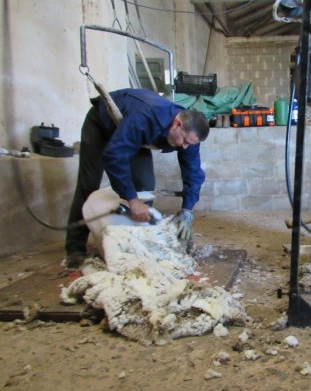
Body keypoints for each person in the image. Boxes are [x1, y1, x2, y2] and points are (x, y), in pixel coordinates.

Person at [65, 88, 210, 268]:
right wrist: (132, 200)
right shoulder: (145, 116)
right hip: (102, 125)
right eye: (185, 141)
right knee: (88, 185)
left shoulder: (189, 136)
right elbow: (114, 156)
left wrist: (187, 210)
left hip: (135, 134)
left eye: (191, 144)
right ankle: (75, 248)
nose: (185, 147)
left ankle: (137, 241)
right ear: (177, 124)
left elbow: (193, 171)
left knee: (144, 185)